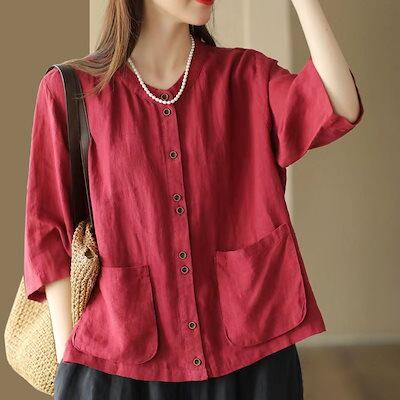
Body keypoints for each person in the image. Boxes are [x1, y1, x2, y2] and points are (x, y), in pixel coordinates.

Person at [23, 0, 364, 399]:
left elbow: (339, 104)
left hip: (251, 359)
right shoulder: (70, 90)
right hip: (119, 364)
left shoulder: (246, 76)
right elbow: (48, 235)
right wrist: (68, 360)